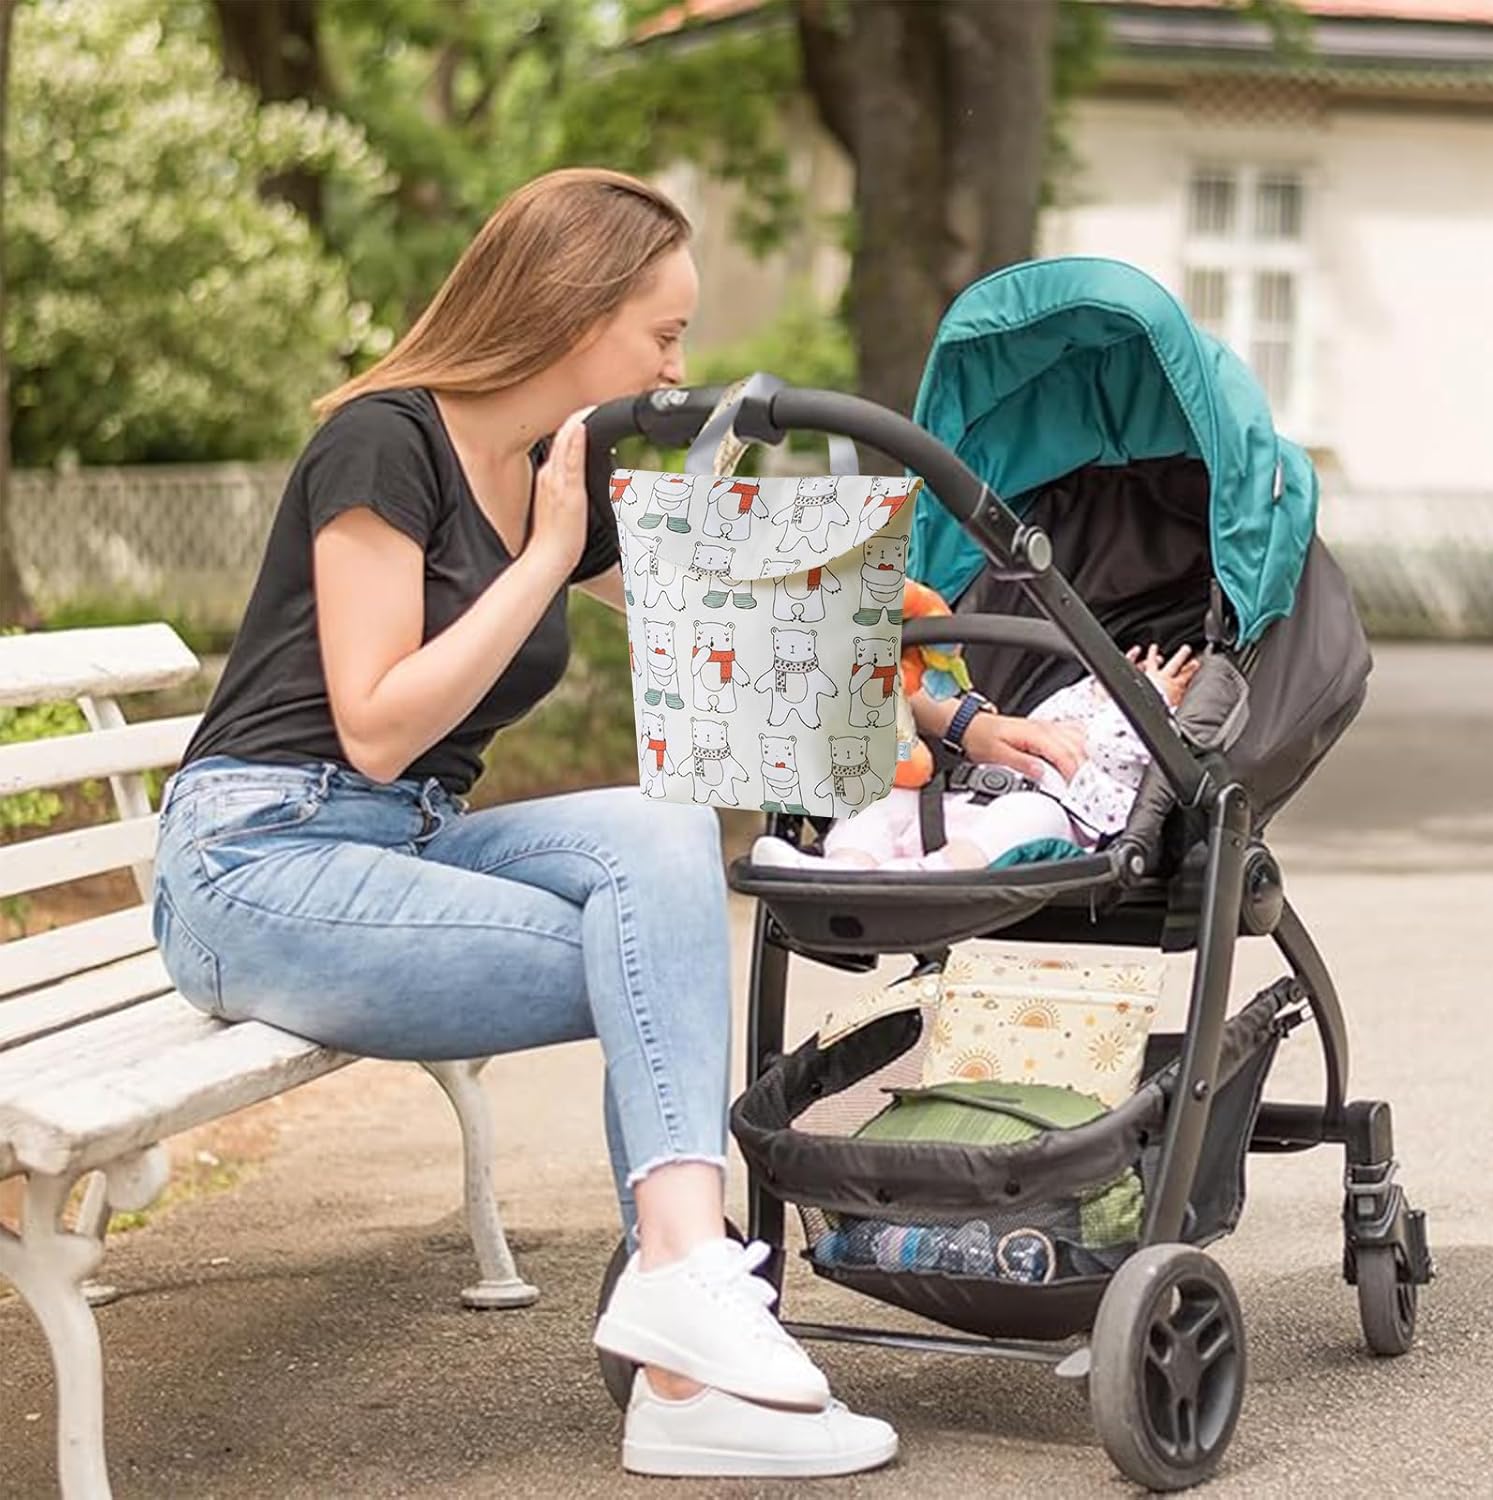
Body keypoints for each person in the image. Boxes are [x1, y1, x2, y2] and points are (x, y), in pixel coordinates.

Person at [151, 168, 1082, 1478]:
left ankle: (682, 1296)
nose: (676, 366)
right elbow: (374, 725)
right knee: (654, 959)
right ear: (573, 309)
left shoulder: (549, 466)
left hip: (401, 842)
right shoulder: (384, 442)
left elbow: (744, 624)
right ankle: (686, 1343)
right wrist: (542, 556)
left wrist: (959, 721)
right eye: (664, 333)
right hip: (257, 862)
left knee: (664, 837)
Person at [753, 645, 1199, 872]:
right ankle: (845, 866)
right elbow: (1041, 720)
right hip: (960, 802)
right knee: (883, 796)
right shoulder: (1070, 713)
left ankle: (929, 874)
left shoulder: (1138, 749)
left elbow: (1116, 744)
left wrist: (1153, 698)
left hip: (1050, 819)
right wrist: (1097, 687)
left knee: (1029, 813)